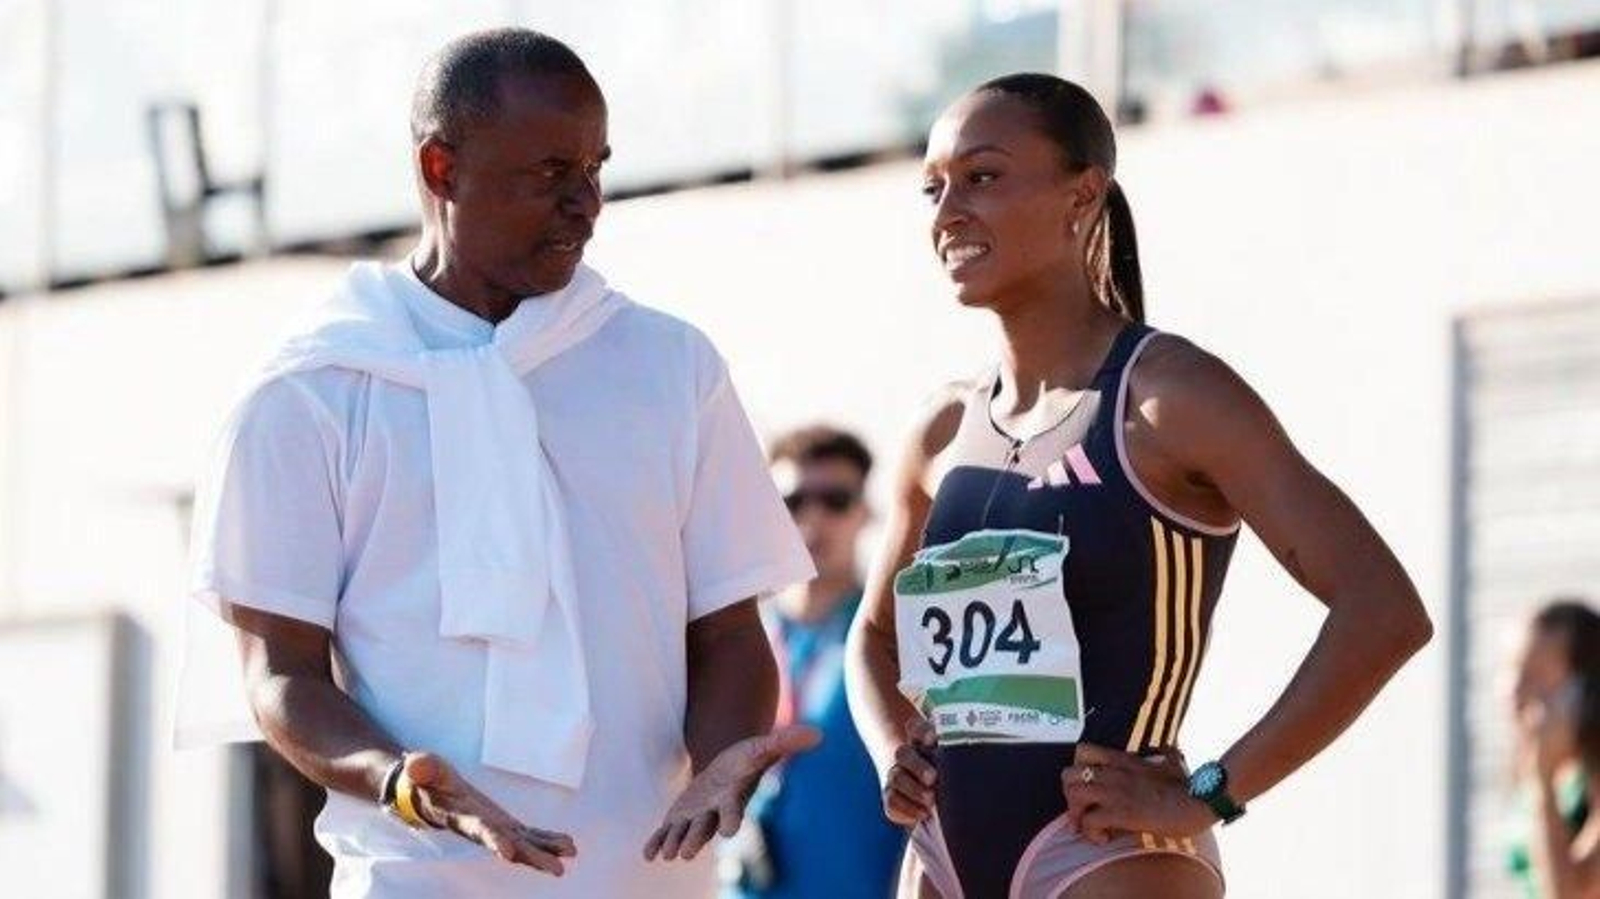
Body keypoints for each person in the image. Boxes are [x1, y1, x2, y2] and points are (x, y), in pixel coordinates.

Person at [175, 28, 819, 898]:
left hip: (651, 881)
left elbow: (730, 633)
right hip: (414, 879)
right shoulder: (313, 390)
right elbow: (280, 672)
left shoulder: (672, 367)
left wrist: (723, 760)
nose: (587, 205)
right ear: (441, 170)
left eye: (596, 170)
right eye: (551, 174)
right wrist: (400, 780)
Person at [843, 73, 1433, 898]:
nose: (947, 215)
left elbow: (1384, 610)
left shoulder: (1167, 399)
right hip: (942, 856)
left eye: (982, 177)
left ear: (1082, 194)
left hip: (1104, 855)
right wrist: (889, 749)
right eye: (933, 188)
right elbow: (874, 636)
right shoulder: (942, 430)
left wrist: (1213, 793)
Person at [722, 425, 906, 899]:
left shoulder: (893, 640)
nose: (813, 519)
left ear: (866, 513)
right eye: (794, 501)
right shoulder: (732, 640)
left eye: (835, 500)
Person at [1510, 599, 1600, 897]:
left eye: (1536, 676)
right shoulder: (1536, 768)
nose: (1516, 692)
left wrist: (1543, 782)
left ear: (1582, 691)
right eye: (1513, 671)